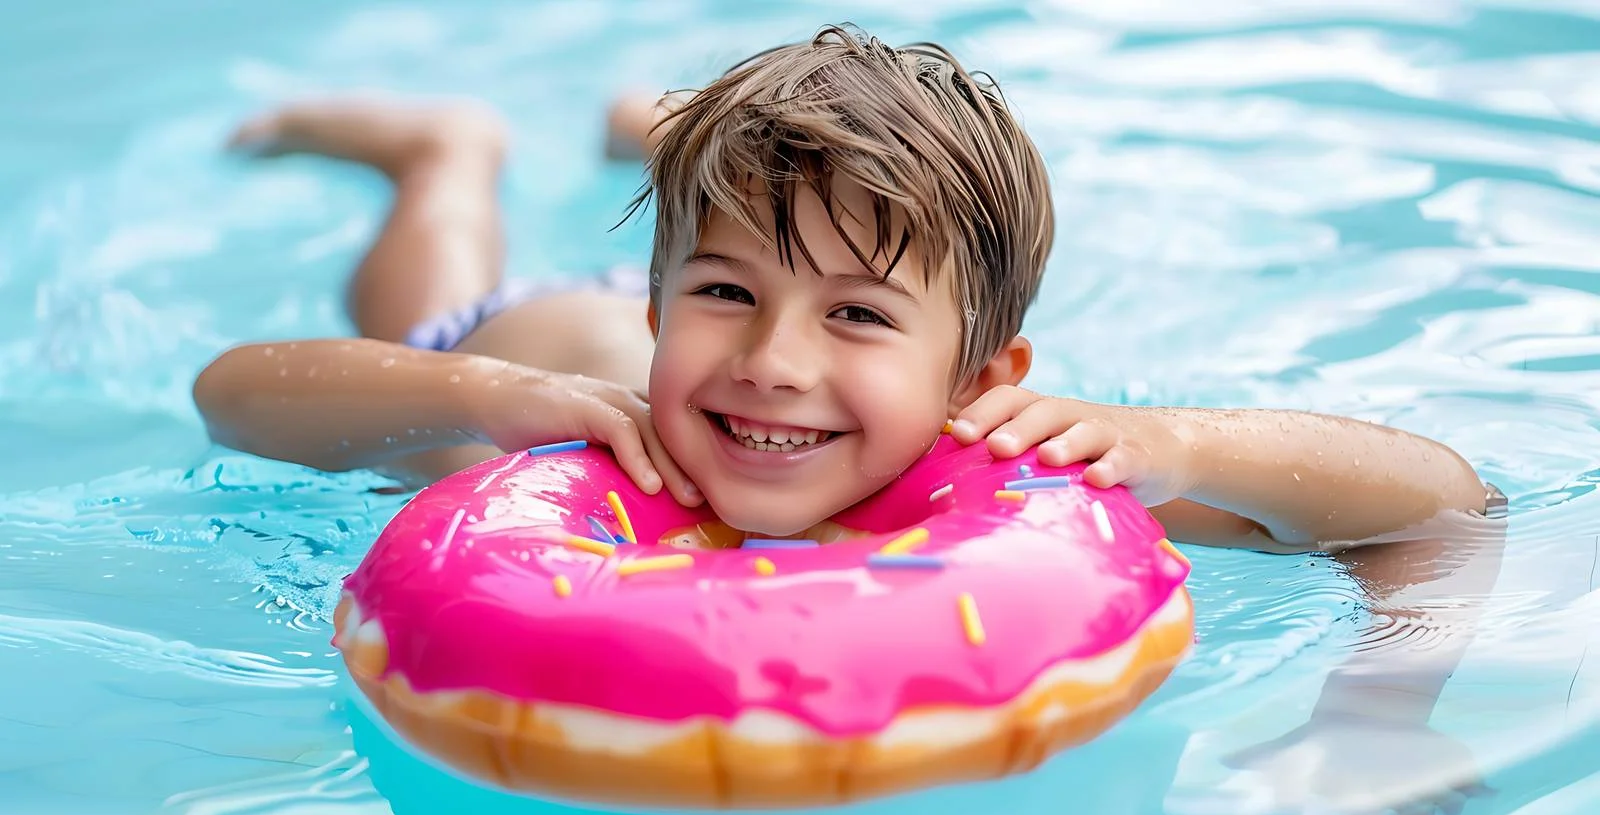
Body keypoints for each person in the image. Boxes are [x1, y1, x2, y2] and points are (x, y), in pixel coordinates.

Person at [193, 24, 1499, 551]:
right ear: (663, 315)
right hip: (519, 330)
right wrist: (484, 389)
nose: (773, 360)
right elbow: (233, 396)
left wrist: (1183, 444)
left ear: (979, 384)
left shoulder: (1015, 460)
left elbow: (1441, 499)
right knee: (420, 304)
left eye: (862, 316)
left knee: (790, 213)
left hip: (688, 282)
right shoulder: (569, 411)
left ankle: (677, 137)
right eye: (718, 299)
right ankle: (446, 150)